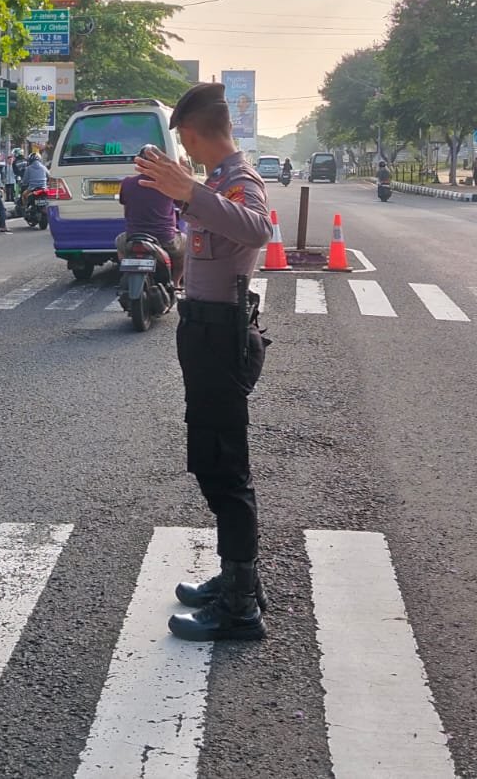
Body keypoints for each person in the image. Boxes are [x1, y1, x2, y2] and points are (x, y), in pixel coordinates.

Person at [135, 83, 270, 642]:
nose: (182, 153)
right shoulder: (215, 184)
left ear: (191, 134)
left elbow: (258, 228)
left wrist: (189, 192)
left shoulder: (238, 181)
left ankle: (241, 609)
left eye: (182, 141)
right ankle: (238, 579)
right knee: (210, 459)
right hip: (202, 332)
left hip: (222, 338)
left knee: (224, 465)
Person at [117, 147, 187, 284]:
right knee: (186, 247)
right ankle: (176, 282)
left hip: (134, 236)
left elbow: (126, 211)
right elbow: (183, 205)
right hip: (166, 239)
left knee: (119, 242)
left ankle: (127, 272)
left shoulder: (127, 183)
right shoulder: (169, 183)